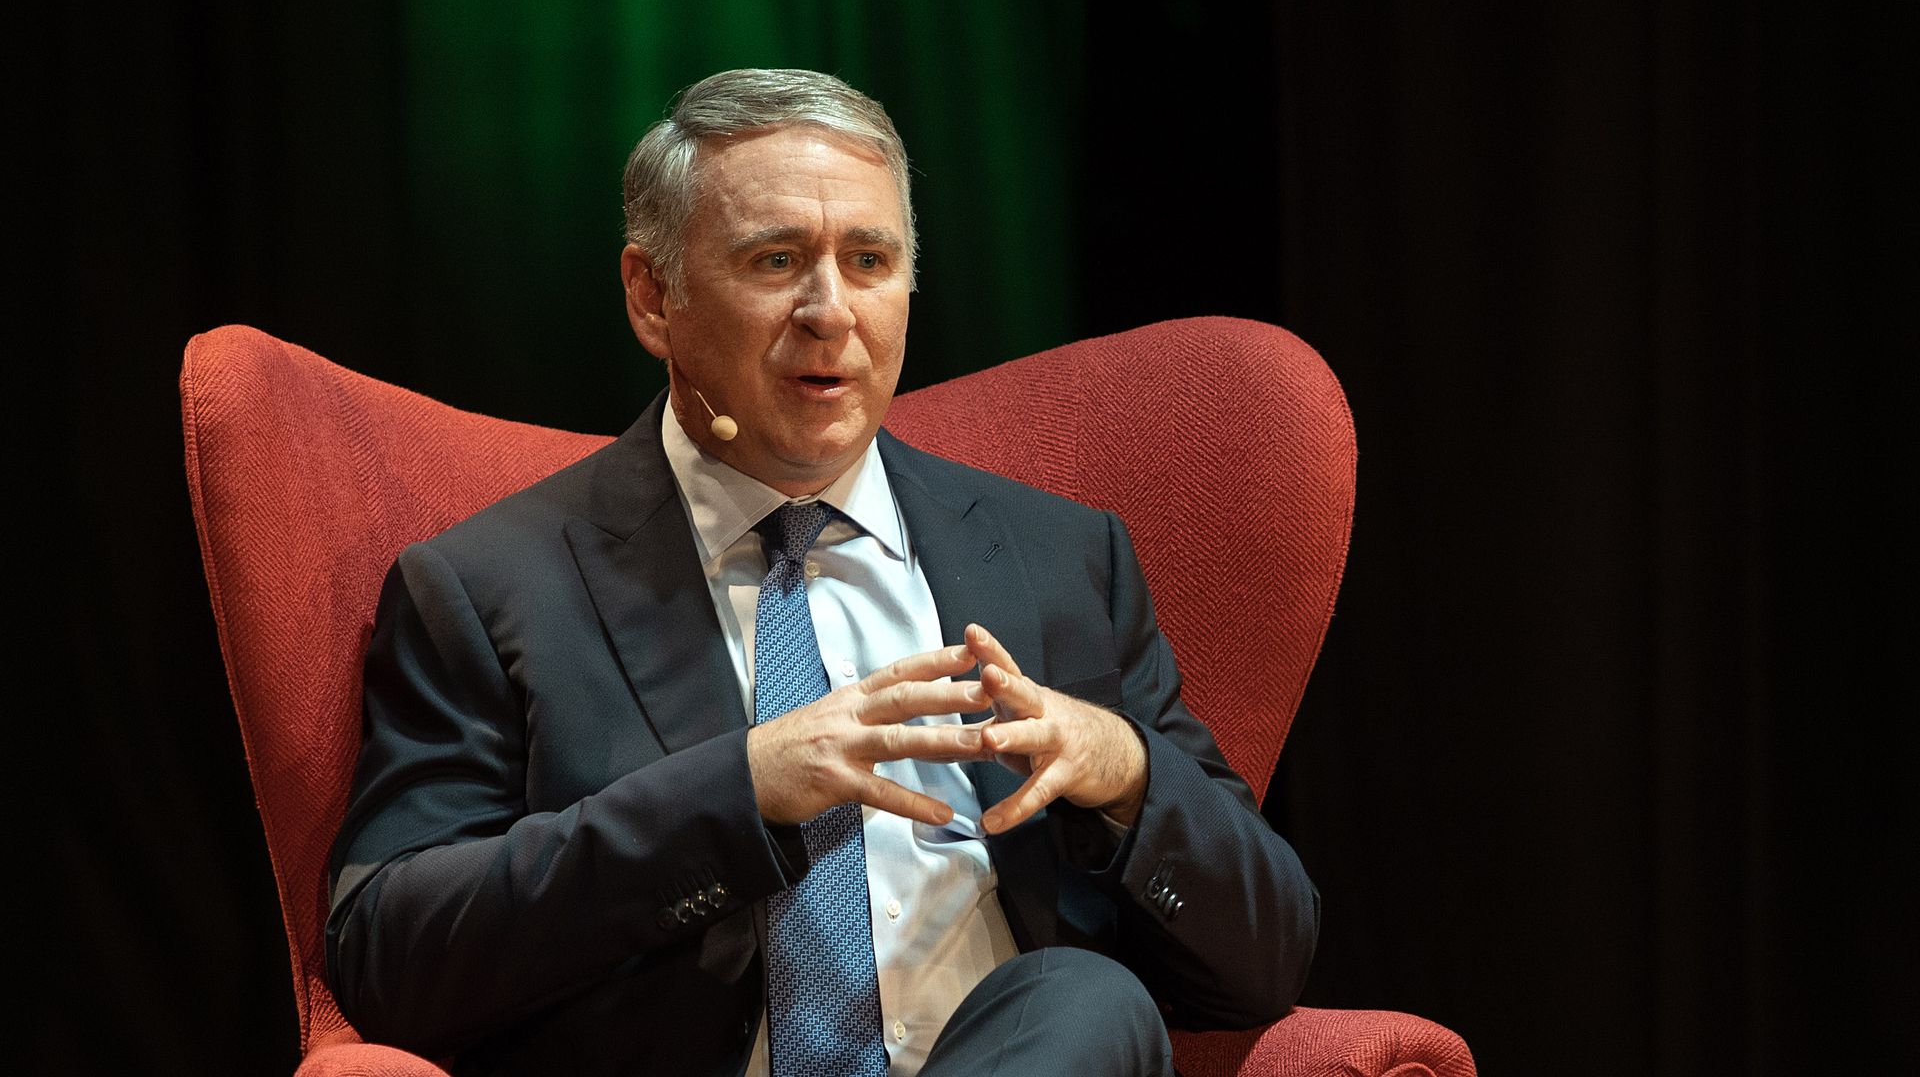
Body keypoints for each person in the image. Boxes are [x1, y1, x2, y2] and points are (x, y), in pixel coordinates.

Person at [326, 68, 1318, 1077]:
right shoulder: (491, 588)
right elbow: (388, 956)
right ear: (653, 297)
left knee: (1085, 999)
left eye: (869, 261)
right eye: (777, 260)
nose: (830, 311)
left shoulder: (1062, 559)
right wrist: (738, 792)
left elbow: (1266, 960)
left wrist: (1128, 776)